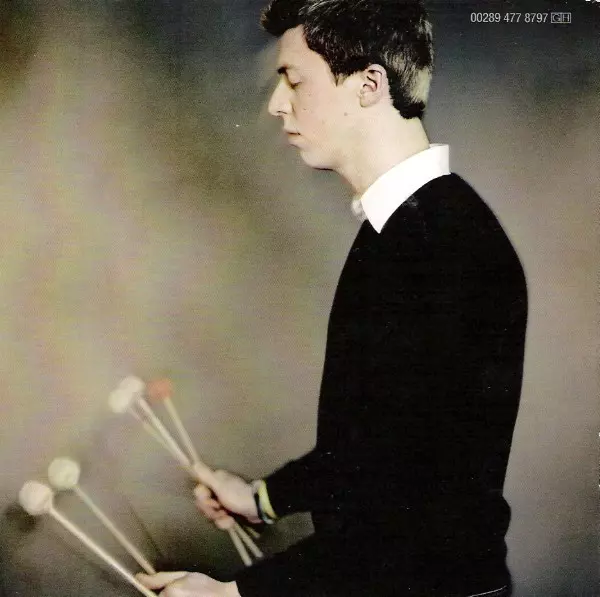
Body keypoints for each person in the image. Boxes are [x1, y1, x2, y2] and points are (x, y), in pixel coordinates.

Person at [138, 0, 528, 595]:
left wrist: (237, 595)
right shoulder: (409, 226)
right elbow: (375, 450)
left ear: (369, 85)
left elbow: (409, 518)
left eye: (295, 81)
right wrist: (263, 498)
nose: (277, 103)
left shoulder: (440, 247)